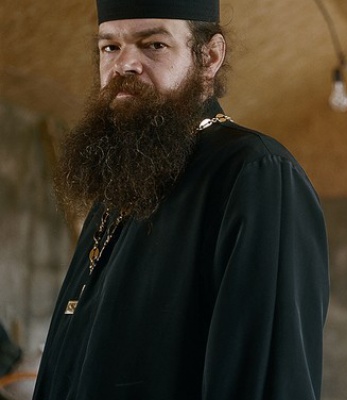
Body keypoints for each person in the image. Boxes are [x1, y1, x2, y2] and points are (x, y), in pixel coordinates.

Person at [32, 0, 330, 398]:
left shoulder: (254, 173)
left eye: (153, 45)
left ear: (210, 56)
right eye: (110, 47)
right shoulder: (122, 182)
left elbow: (267, 379)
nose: (124, 65)